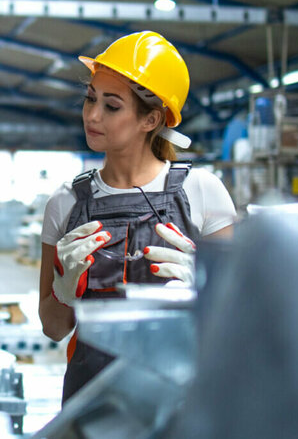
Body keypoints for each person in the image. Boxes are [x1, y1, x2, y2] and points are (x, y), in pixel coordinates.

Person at [37, 31, 236, 403]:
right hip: (90, 403)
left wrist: (205, 292)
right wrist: (64, 292)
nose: (92, 115)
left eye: (112, 106)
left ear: (151, 120)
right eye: (90, 99)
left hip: (178, 404)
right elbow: (52, 328)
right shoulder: (65, 203)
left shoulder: (203, 192)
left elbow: (236, 329)